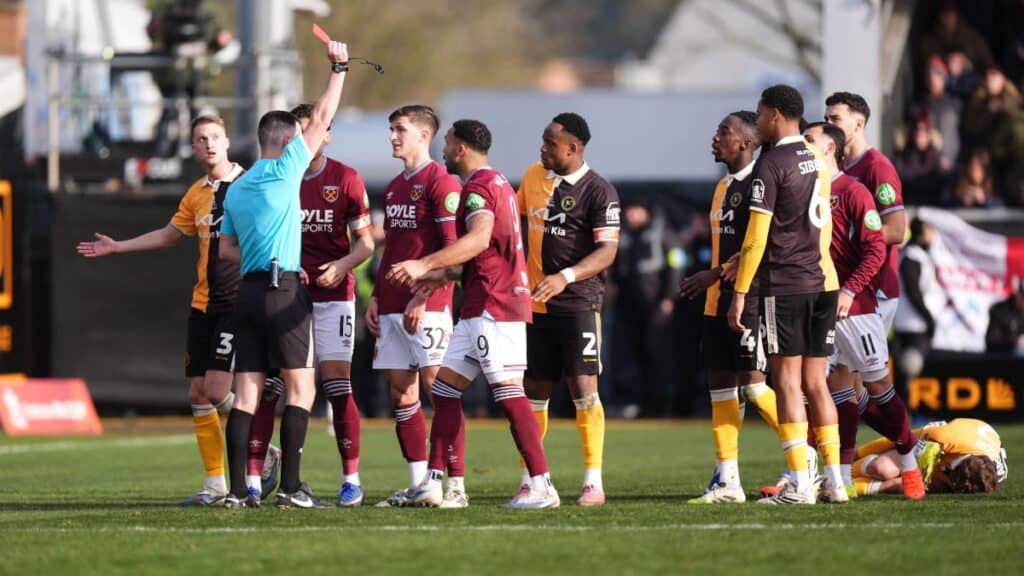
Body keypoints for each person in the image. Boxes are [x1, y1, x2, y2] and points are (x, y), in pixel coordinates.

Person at [76, 114, 268, 506]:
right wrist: (118, 246)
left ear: (227, 142)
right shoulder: (196, 193)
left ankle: (261, 445)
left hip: (236, 303)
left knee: (217, 390)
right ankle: (214, 485)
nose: (209, 144)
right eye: (201, 139)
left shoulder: (250, 185)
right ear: (194, 147)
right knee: (197, 393)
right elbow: (168, 235)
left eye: (215, 136)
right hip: (202, 304)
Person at [387, 119, 559, 509]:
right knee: (445, 391)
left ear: (461, 148)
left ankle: (542, 484)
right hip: (481, 303)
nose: (444, 149)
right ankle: (436, 482)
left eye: (448, 143)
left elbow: (479, 238)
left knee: (509, 394)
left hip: (494, 304)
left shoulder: (479, 187)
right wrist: (439, 276)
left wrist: (424, 263)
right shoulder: (499, 183)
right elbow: (488, 250)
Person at [217, 38, 349, 509]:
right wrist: (339, 68)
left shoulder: (236, 188)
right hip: (283, 287)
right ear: (288, 141)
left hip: (248, 292)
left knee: (245, 395)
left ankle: (238, 492)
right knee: (301, 388)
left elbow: (225, 250)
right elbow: (323, 115)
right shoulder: (287, 168)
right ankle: (291, 487)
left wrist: (259, 251)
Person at [244, 103, 374, 507]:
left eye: (312, 131)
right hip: (287, 295)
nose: (306, 140)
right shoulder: (280, 178)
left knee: (337, 385)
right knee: (272, 387)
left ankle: (350, 480)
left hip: (334, 296)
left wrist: (343, 265)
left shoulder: (346, 179)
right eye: (299, 133)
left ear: (327, 135)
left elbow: (366, 243)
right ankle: (255, 477)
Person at [728, 84, 840, 505]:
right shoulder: (817, 157)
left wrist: (740, 292)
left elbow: (756, 237)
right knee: (817, 384)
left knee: (788, 384)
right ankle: (834, 480)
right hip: (823, 282)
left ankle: (799, 484)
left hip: (787, 285)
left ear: (774, 114)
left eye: (759, 114)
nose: (757, 122)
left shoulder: (771, 163)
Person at [804, 121, 925, 500]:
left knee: (878, 388)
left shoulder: (854, 191)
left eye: (809, 140)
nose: (803, 145)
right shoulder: (804, 192)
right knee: (827, 390)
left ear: (830, 149)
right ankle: (829, 476)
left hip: (855, 309)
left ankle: (909, 460)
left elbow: (875, 249)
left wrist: (850, 289)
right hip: (816, 306)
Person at [365, 105, 468, 508]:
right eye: (391, 129)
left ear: (424, 135)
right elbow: (391, 249)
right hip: (391, 304)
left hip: (429, 306)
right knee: (401, 393)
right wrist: (376, 296)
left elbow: (453, 252)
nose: (392, 136)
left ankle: (455, 484)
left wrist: (423, 297)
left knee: (439, 391)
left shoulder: (442, 182)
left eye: (400, 129)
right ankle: (420, 483)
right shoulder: (394, 187)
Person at [515, 112, 620, 506]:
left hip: (578, 302)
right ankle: (532, 479)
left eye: (550, 142)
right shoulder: (532, 176)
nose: (542, 148)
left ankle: (593, 481)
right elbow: (515, 226)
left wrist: (566, 276)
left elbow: (607, 251)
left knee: (583, 388)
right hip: (535, 303)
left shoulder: (600, 191)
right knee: (534, 390)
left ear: (573, 148)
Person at [678, 111, 780, 504]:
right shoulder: (723, 186)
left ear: (746, 142)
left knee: (754, 387)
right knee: (720, 391)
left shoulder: (760, 182)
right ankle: (728, 480)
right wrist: (715, 280)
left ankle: (805, 452)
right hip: (716, 302)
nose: (715, 137)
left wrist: (716, 272)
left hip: (750, 298)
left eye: (725, 131)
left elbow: (763, 244)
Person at [825, 92, 906, 333]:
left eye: (835, 119)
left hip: (874, 289)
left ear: (859, 124)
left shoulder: (877, 167)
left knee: (866, 358)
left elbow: (896, 229)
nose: (828, 125)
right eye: (826, 119)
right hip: (844, 286)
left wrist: (846, 243)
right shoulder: (837, 166)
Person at [614, 199, 684, 417]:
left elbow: (677, 263)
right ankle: (645, 404)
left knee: (658, 355)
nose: (631, 215)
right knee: (638, 355)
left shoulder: (663, 233)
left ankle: (663, 404)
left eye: (636, 211)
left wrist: (669, 297)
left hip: (657, 306)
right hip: (631, 307)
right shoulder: (625, 236)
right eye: (629, 211)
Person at [853, 419, 1007, 496]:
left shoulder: (987, 479)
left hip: (958, 455)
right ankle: (847, 472)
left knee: (902, 485)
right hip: (938, 445)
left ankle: (849, 487)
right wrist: (858, 453)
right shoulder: (943, 438)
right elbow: (900, 438)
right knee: (883, 468)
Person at [893, 219, 940, 384]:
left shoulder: (919, 256)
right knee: (909, 367)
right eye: (929, 232)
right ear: (920, 235)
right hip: (912, 325)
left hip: (915, 323)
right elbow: (913, 291)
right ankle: (905, 401)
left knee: (913, 373)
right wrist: (928, 318)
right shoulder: (912, 256)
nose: (932, 236)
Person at [985, 281, 1024, 354]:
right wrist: (1016, 341)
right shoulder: (1000, 310)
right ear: (1018, 295)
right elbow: (992, 340)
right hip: (1003, 355)